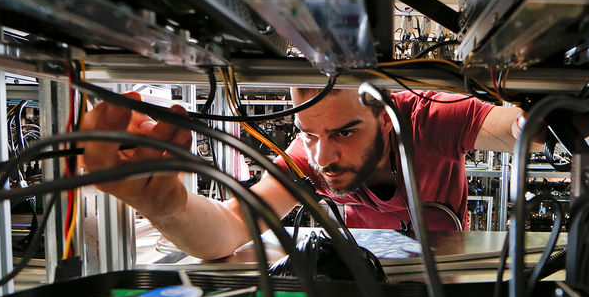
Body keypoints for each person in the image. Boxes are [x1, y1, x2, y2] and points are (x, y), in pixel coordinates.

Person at [79, 86, 538, 260]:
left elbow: (521, 130)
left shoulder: (426, 118)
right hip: (368, 273)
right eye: (310, 133)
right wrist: (168, 206)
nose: (324, 156)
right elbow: (234, 226)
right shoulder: (308, 157)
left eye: (344, 132)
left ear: (383, 117)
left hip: (446, 269)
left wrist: (531, 113)